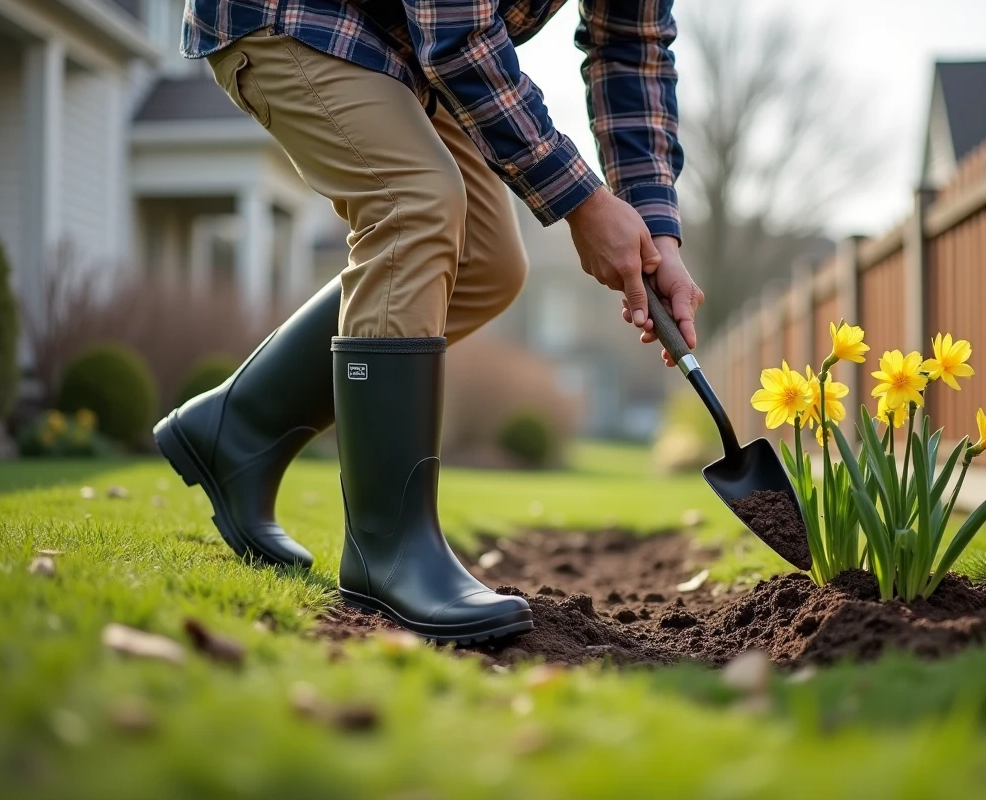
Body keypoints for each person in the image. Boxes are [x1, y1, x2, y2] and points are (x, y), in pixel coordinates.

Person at [154, 0, 704, 644]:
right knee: (412, 202)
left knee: (487, 264)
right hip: (295, 13)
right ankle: (387, 548)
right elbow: (455, 27)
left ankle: (239, 428)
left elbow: (631, 47)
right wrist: (582, 201)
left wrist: (657, 229)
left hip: (405, 48)